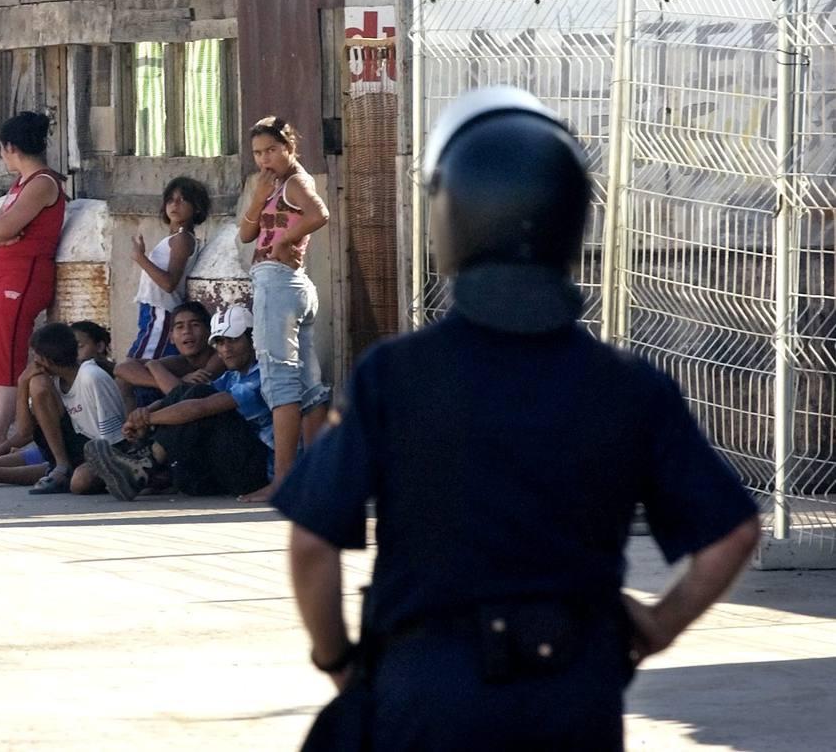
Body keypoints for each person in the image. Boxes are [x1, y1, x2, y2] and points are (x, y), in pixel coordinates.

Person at [274, 88, 760, 750]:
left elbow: (311, 546)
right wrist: (659, 623)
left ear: (450, 216)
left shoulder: (395, 375)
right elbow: (729, 535)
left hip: (426, 694)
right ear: (570, 218)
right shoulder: (629, 388)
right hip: (573, 699)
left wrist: (338, 661)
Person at [86, 304, 272, 502]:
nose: (226, 349)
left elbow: (200, 407)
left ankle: (143, 466)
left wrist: (149, 419)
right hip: (224, 470)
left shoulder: (261, 376)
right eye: (220, 342)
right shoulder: (231, 376)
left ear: (252, 340)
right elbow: (180, 394)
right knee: (188, 395)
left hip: (255, 475)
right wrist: (146, 412)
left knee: (199, 396)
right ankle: (144, 469)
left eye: (233, 340)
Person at [237, 116, 331, 502]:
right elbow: (245, 234)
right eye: (258, 153)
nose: (264, 159)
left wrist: (285, 240)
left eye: (272, 150)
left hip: (279, 283)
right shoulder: (273, 185)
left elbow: (319, 213)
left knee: (280, 382)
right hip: (288, 285)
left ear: (289, 148)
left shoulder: (295, 181)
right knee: (308, 388)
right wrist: (259, 197)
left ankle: (286, 480)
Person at [0, 111, 66, 455]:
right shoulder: (20, 185)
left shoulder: (42, 182)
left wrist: (1, 231)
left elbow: (1, 229)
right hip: (4, 271)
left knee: (10, 352)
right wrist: (0, 232)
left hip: (25, 274)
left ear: (9, 147)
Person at [0, 322, 124, 495]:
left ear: (45, 360)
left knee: (80, 481)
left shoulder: (91, 376)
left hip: (104, 451)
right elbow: (24, 432)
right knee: (38, 385)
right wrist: (23, 383)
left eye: (35, 355)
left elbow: (114, 437)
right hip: (75, 450)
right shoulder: (54, 381)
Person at [123, 176, 209, 368]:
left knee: (135, 369)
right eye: (170, 199)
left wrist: (140, 258)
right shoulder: (174, 239)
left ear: (196, 207)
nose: (175, 205)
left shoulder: (182, 239)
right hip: (152, 312)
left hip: (162, 312)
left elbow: (169, 283)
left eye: (182, 199)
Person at [114, 300, 223, 413]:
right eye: (180, 327)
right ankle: (127, 427)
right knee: (123, 381)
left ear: (209, 331)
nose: (186, 331)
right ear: (171, 337)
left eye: (195, 325)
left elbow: (181, 394)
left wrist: (156, 368)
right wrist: (165, 379)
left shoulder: (219, 357)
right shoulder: (180, 361)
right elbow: (121, 368)